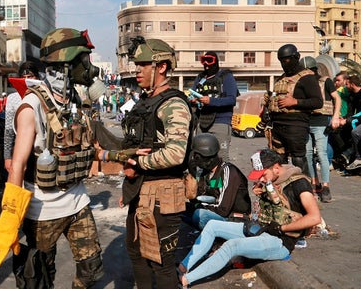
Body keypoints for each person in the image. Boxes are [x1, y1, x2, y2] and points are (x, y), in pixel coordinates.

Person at [0, 28, 108, 288]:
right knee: (37, 278)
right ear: (65, 64)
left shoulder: (74, 100)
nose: (88, 67)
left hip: (78, 202)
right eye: (83, 60)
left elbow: (87, 147)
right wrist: (10, 216)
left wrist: (118, 155)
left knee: (91, 271)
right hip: (42, 211)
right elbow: (18, 164)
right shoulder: (31, 106)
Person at [179, 149, 321, 286]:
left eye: (263, 175)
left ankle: (186, 280)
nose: (261, 179)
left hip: (280, 241)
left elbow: (314, 218)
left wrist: (282, 228)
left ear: (276, 168)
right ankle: (183, 267)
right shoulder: (272, 181)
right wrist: (262, 194)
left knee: (231, 246)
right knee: (212, 226)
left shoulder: (299, 184)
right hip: (261, 229)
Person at [117, 36, 191, 288]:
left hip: (163, 195)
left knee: (161, 261)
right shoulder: (144, 101)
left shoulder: (173, 104)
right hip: (139, 191)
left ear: (161, 67)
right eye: (137, 64)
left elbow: (175, 154)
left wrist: (137, 164)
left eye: (144, 64)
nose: (137, 69)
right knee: (137, 255)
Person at [261, 44, 322, 175]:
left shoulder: (307, 77)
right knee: (278, 160)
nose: (284, 63)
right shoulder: (282, 78)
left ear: (296, 57)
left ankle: (304, 190)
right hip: (278, 125)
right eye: (281, 60)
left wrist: (294, 102)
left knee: (298, 159)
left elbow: (318, 102)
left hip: (296, 126)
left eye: (287, 60)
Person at [187, 133, 251, 231]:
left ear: (206, 157)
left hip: (234, 219)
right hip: (217, 212)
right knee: (182, 211)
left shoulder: (228, 171)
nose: (194, 160)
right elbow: (203, 195)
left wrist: (198, 206)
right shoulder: (206, 172)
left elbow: (223, 210)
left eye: (197, 157)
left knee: (199, 215)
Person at [299, 57, 341, 203]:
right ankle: (314, 183)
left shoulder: (325, 81)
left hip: (321, 122)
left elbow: (337, 98)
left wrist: (335, 117)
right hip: (306, 122)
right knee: (308, 154)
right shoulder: (302, 83)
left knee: (322, 155)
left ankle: (325, 187)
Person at [189, 51, 238, 161]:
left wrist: (210, 101)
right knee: (200, 156)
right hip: (202, 122)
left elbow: (231, 99)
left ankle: (222, 178)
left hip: (221, 122)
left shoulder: (226, 76)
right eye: (203, 60)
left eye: (209, 60)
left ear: (216, 62)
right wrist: (193, 101)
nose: (206, 64)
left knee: (221, 157)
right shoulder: (200, 78)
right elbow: (192, 93)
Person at [4, 61, 40, 174]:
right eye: (24, 77)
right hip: (20, 149)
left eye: (30, 77)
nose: (27, 80)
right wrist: (7, 157)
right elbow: (9, 130)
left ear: (37, 77)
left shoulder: (45, 96)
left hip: (41, 149)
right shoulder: (13, 98)